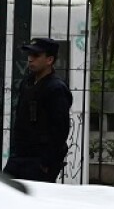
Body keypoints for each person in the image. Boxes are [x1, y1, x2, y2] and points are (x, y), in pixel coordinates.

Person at [5, 36, 73, 183]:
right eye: (29, 55)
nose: (30, 59)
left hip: (39, 160)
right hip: (20, 155)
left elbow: (60, 130)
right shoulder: (27, 82)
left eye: (36, 55)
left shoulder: (56, 88)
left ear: (49, 60)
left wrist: (46, 163)